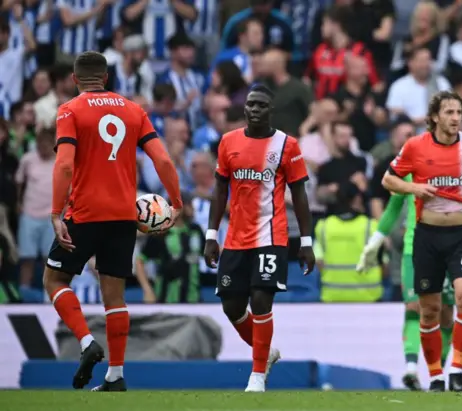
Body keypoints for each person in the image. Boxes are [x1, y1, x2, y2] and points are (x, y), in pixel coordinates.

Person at [44, 51, 183, 392]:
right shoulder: (134, 110)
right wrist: (176, 201)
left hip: (85, 212)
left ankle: (87, 341)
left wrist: (55, 211)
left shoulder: (70, 110)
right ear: (106, 78)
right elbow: (162, 159)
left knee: (54, 278)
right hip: (124, 216)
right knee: (115, 297)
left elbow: (64, 164)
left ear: (75, 80)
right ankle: (116, 376)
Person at [381, 91, 462, 392]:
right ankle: (435, 375)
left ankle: (457, 371)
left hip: (461, 235)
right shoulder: (415, 146)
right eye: (449, 112)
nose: (456, 118)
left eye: (459, 112)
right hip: (427, 236)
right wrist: (415, 188)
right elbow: (388, 180)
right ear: (434, 117)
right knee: (429, 309)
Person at [203, 84, 316, 393]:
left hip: (271, 236)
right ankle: (265, 354)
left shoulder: (287, 145)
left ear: (271, 110)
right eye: (250, 104)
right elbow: (219, 190)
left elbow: (300, 195)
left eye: (261, 105)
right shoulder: (228, 142)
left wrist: (306, 242)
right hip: (235, 238)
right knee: (232, 306)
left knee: (261, 298)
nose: (254, 109)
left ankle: (256, 376)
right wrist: (212, 235)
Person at [356, 170, 455, 391]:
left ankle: (436, 374)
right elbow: (393, 208)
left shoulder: (452, 170)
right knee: (413, 306)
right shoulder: (410, 172)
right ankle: (411, 369)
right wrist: (375, 242)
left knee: (446, 313)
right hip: (415, 249)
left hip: (448, 249)